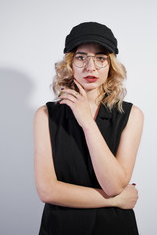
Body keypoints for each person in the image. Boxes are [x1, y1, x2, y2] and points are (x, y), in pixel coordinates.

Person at [34, 22, 144, 235]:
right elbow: (47, 191)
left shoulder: (132, 115)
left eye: (100, 58)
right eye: (81, 57)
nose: (90, 67)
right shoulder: (46, 115)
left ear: (111, 65)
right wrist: (116, 200)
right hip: (61, 228)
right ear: (70, 64)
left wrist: (86, 121)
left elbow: (113, 184)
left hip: (114, 228)